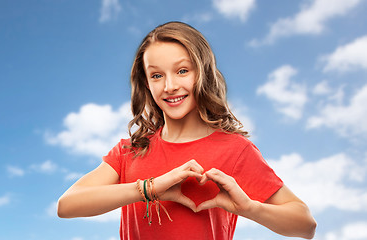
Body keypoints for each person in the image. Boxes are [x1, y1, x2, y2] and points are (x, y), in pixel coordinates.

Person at [57, 21, 316, 240]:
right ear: (146, 84)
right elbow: (67, 205)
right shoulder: (132, 149)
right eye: (157, 76)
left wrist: (249, 207)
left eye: (182, 71)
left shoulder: (235, 150)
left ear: (202, 74)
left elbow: (305, 225)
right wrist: (151, 188)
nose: (169, 86)